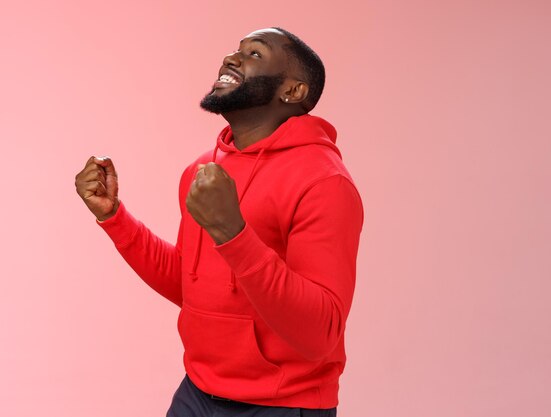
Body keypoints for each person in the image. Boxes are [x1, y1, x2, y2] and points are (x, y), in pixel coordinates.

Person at [75, 27, 363, 417]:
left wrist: (233, 232)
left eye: (255, 54)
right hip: (197, 394)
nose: (232, 58)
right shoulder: (202, 169)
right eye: (236, 49)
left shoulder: (324, 181)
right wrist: (114, 217)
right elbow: (189, 285)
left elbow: (321, 334)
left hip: (282, 405)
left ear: (293, 92)